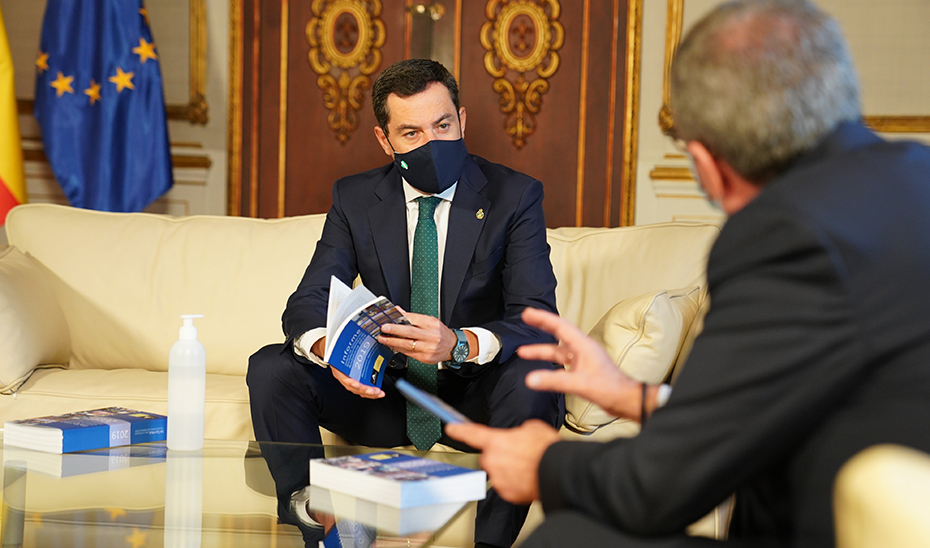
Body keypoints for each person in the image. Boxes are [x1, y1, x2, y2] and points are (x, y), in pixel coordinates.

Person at [446, 1, 930, 546]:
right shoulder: (916, 175)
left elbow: (659, 490)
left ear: (704, 163)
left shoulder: (786, 234)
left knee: (570, 537)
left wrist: (545, 465)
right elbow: (782, 401)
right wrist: (638, 398)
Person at [247, 58, 565, 548]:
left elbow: (538, 320)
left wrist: (457, 343)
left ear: (463, 120)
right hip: (386, 394)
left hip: (472, 399)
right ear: (385, 140)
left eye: (442, 125)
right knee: (271, 367)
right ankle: (321, 531)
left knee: (531, 381)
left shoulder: (515, 195)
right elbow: (307, 301)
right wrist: (332, 350)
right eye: (412, 133)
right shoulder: (355, 198)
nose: (432, 143)